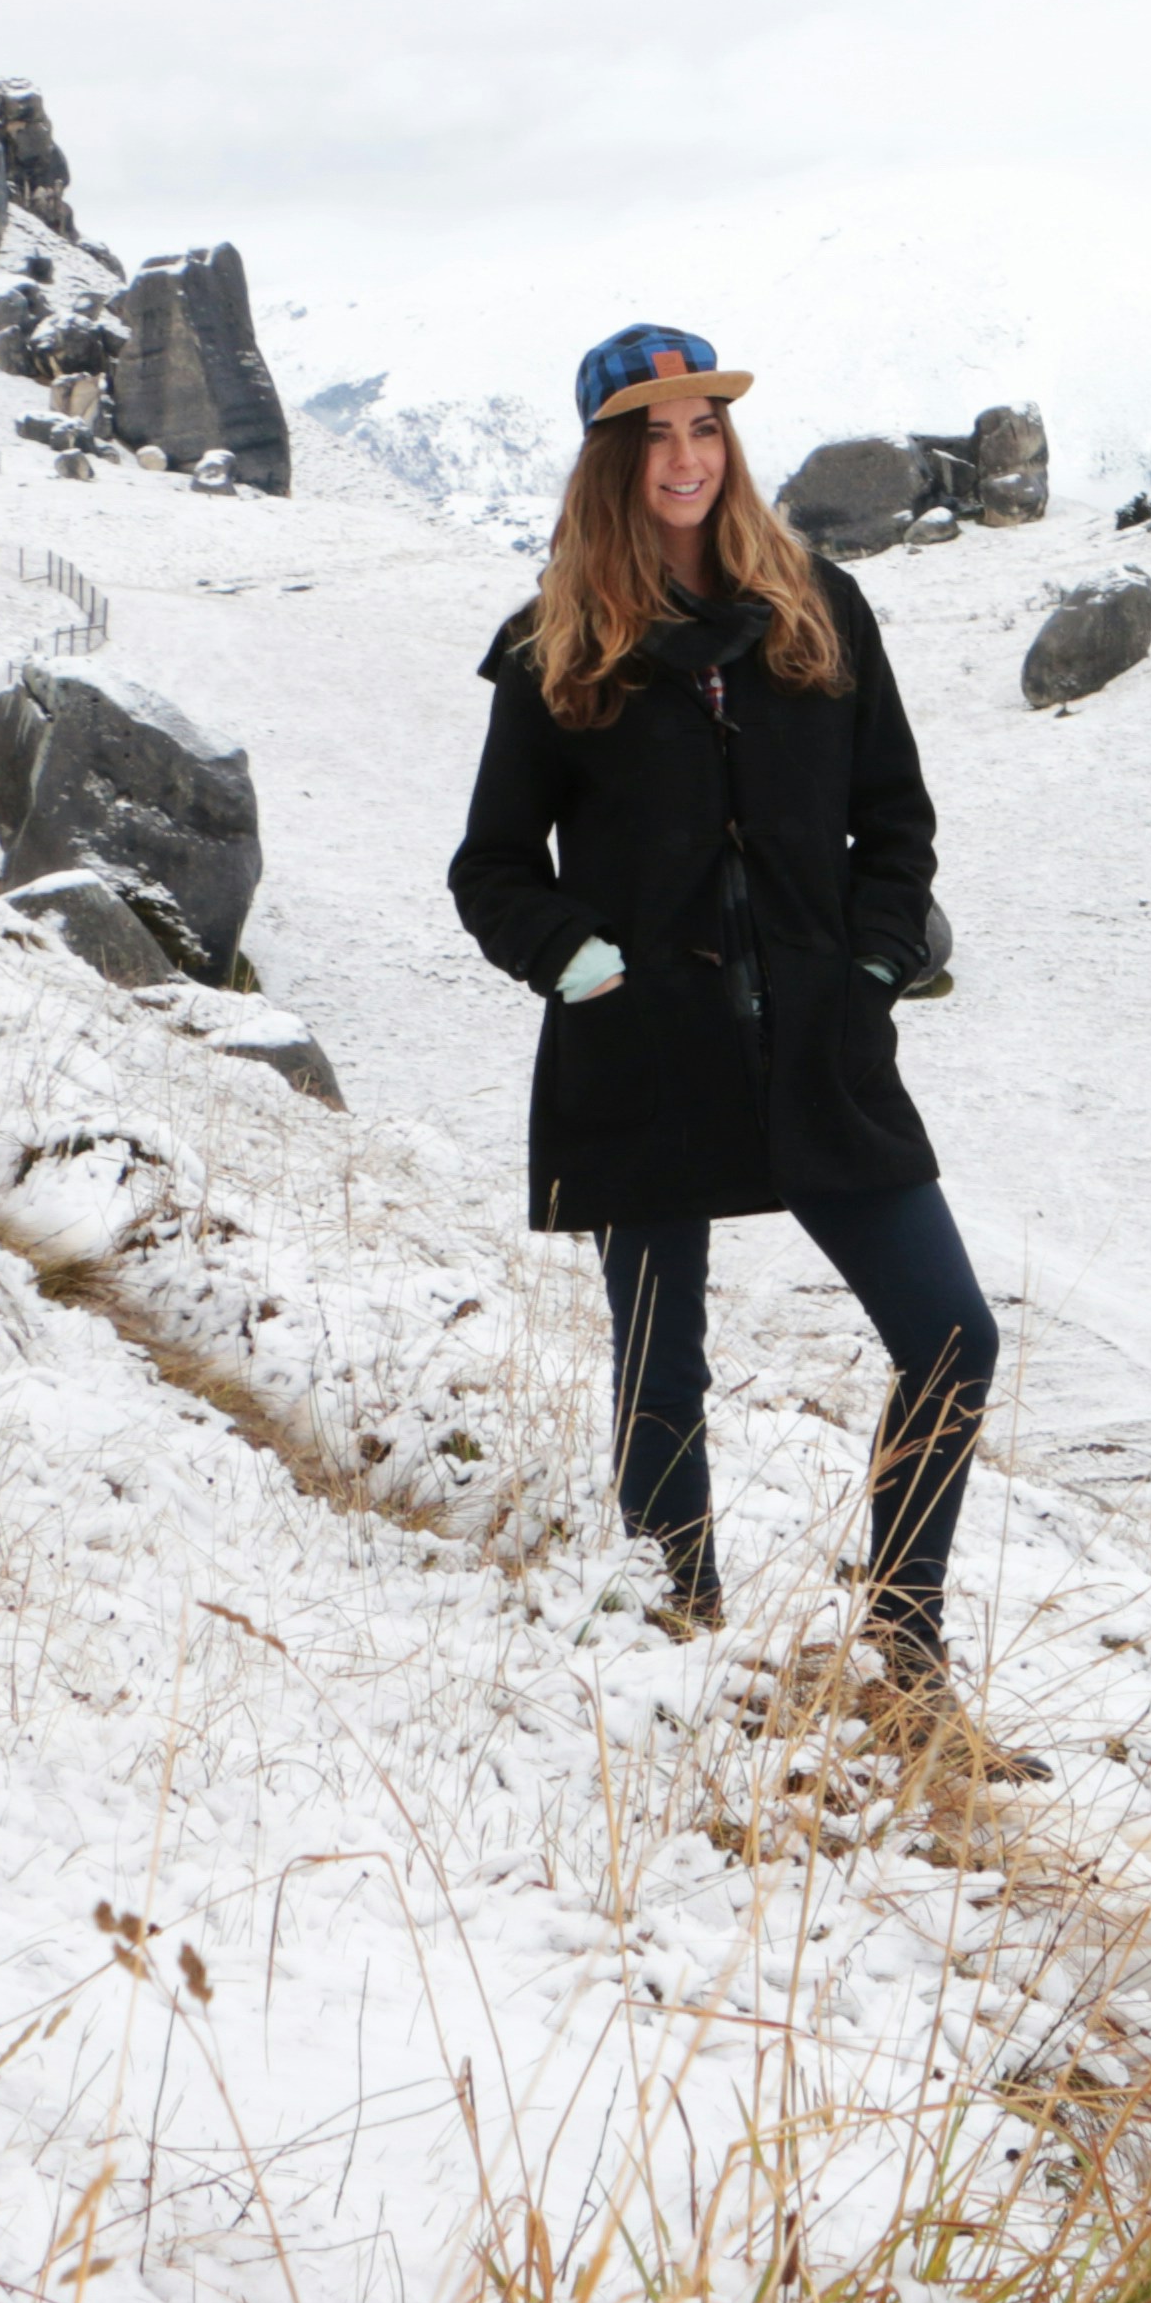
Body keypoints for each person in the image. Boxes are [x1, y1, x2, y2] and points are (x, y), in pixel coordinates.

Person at [446, 322, 1030, 1767]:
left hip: (822, 1048)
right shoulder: (556, 645)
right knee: (662, 1367)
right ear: (610, 463)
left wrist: (877, 966)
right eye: (653, 436)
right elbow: (494, 866)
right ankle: (681, 1642)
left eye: (704, 427)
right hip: (642, 1054)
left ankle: (905, 1649)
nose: (687, 458)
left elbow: (896, 821)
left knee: (952, 1332)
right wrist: (578, 964)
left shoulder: (817, 607)